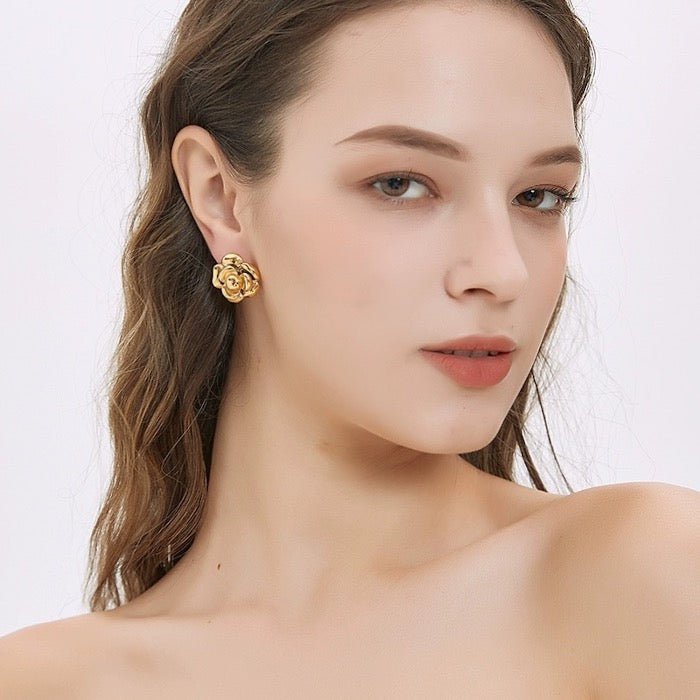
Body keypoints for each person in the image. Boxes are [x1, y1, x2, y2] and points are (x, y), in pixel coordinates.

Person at [2, 0, 698, 697]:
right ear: (220, 198)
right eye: (401, 184)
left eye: (539, 196)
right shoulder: (43, 682)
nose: (502, 269)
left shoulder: (642, 578)